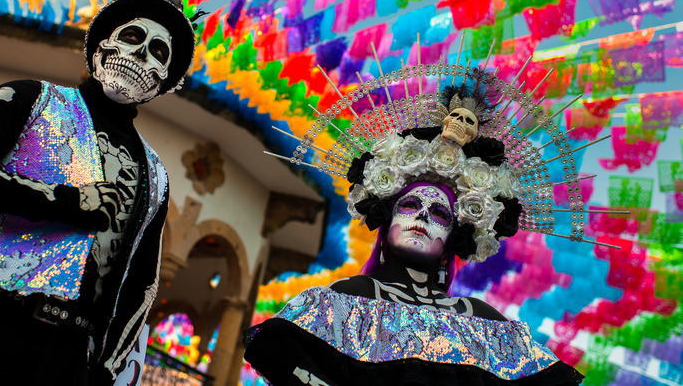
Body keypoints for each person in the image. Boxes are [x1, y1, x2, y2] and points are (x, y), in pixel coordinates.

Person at [0, 0, 203, 385]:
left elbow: (141, 283)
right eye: (132, 37)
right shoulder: (29, 98)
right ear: (101, 47)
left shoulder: (157, 176)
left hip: (66, 357)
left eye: (158, 52)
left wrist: (105, 367)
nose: (141, 54)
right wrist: (62, 200)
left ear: (164, 80)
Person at [244, 67, 586, 385]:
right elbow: (277, 352)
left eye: (439, 214)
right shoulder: (346, 299)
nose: (422, 216)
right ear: (387, 218)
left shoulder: (484, 324)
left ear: (456, 234)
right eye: (409, 205)